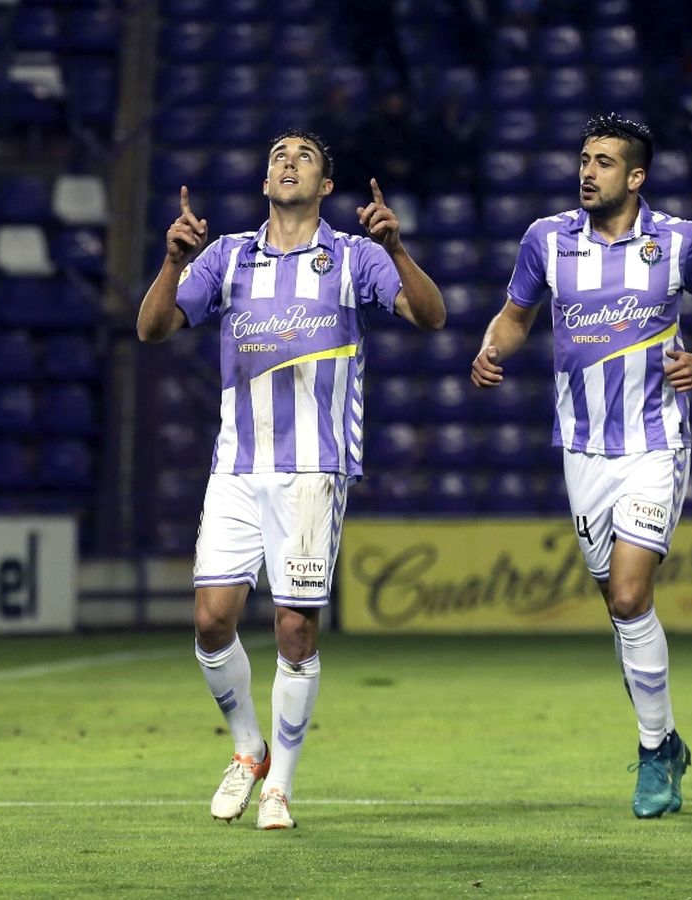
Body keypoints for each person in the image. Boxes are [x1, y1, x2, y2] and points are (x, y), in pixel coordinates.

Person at [137, 129, 446, 829]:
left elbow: (432, 317)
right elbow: (154, 328)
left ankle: (281, 786)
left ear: (326, 186)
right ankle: (250, 750)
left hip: (314, 470)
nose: (287, 161)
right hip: (236, 468)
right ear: (264, 178)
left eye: (304, 156)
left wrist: (397, 249)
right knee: (211, 621)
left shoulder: (354, 257)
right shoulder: (226, 255)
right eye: (278, 154)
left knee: (293, 633)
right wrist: (170, 261)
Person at [470, 113, 692, 819]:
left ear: (637, 176)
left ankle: (654, 756)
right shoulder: (545, 241)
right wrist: (491, 347)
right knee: (621, 612)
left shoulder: (682, 242)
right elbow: (514, 316)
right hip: (582, 451)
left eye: (604, 162)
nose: (588, 171)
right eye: (584, 159)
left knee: (627, 596)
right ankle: (669, 739)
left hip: (655, 443)